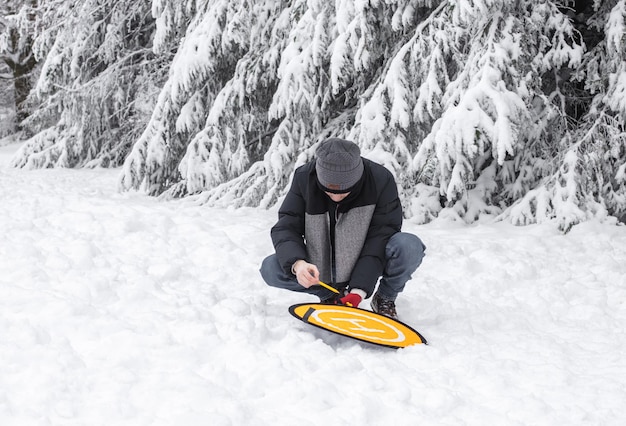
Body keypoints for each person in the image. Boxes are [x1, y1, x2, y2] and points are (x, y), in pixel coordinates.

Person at [259, 138, 426, 319]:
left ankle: (384, 298)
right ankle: (329, 295)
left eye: (343, 193)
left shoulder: (380, 180)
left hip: (366, 258)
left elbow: (381, 236)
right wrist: (299, 265)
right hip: (320, 265)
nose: (336, 198)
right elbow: (286, 226)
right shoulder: (304, 178)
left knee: (408, 245)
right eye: (329, 192)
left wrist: (359, 289)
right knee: (271, 268)